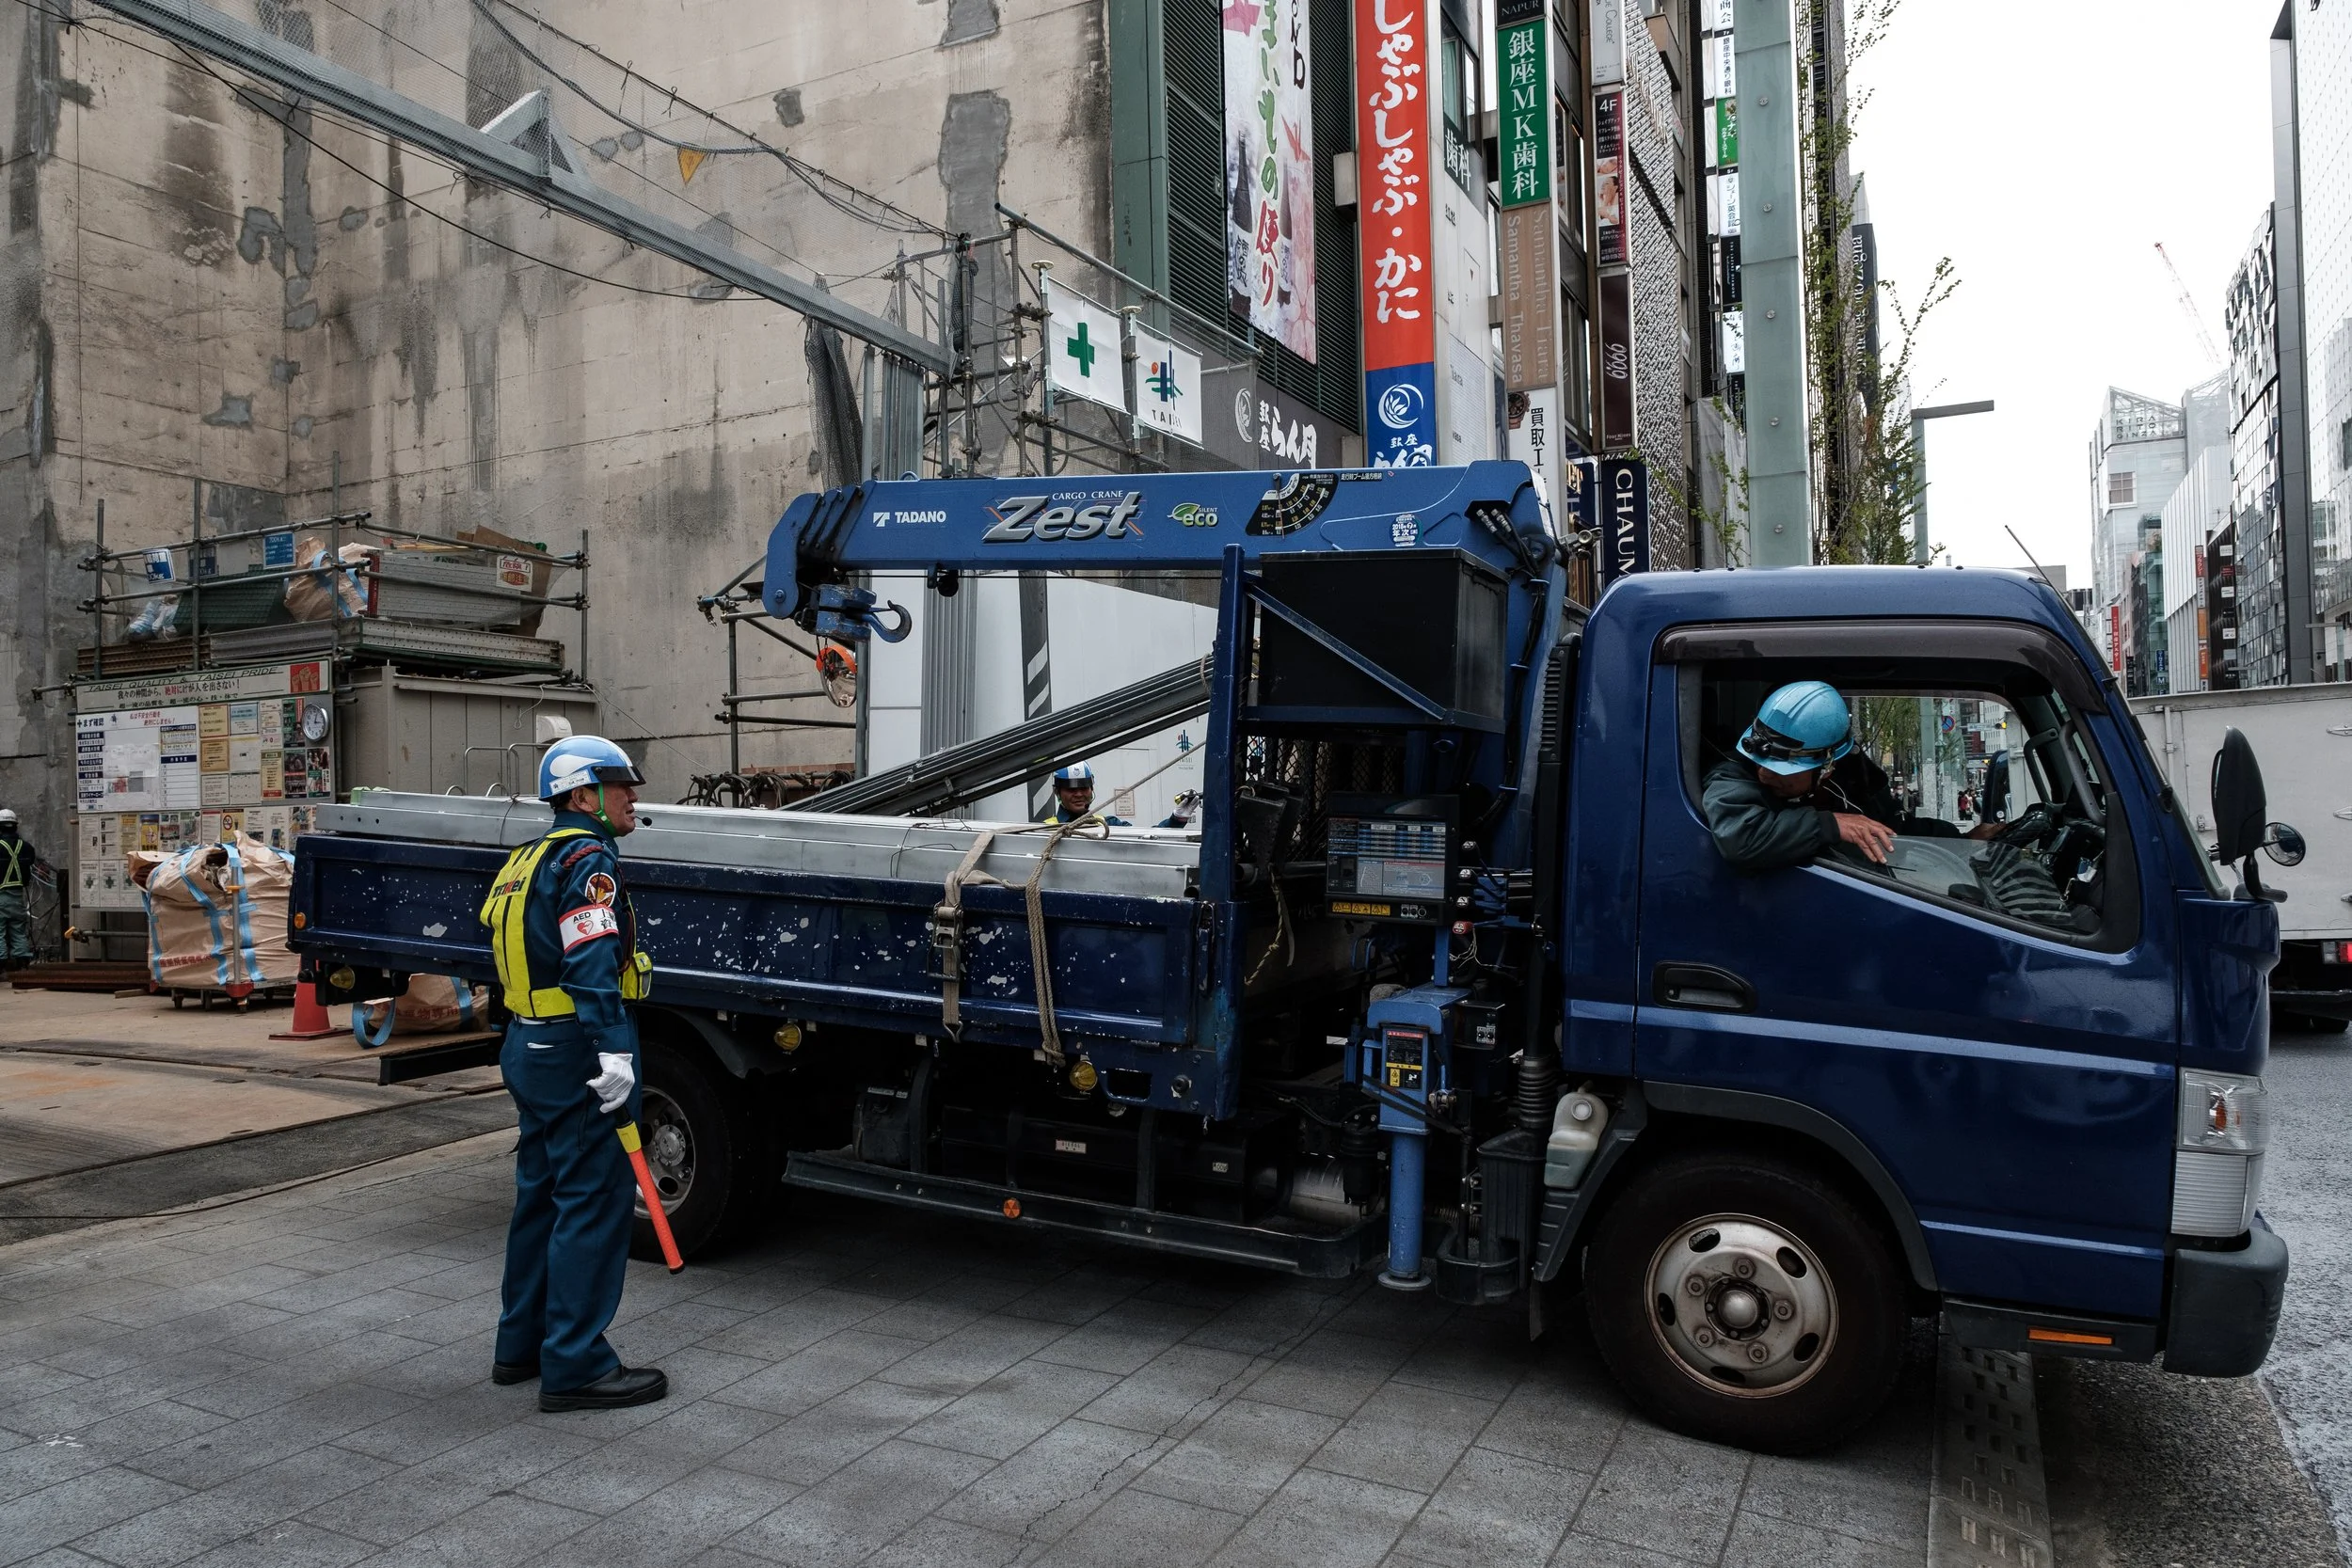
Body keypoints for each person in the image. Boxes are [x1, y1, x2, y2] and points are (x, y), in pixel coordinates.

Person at [479, 736, 668, 1412]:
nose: (633, 795)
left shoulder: (523, 860)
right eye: (621, 785)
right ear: (583, 796)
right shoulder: (588, 858)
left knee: (540, 1196)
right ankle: (576, 1364)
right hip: (578, 1052)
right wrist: (613, 1051)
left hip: (529, 1046)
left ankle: (519, 1346)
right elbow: (590, 961)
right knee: (591, 1199)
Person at [1703, 682, 1997, 875]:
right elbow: (1740, 838)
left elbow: (1892, 829)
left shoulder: (1854, 782)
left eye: (1783, 770)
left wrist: (1960, 842)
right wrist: (1831, 824)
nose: (1764, 773)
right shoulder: (1732, 775)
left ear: (1827, 767)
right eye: (1760, 762)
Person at [1038, 762, 1199, 829]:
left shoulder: (1109, 825)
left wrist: (1176, 820)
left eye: (1084, 788)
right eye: (1071, 789)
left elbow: (1146, 842)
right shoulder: (1044, 830)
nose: (1079, 794)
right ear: (1057, 792)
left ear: (1091, 789)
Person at [0, 809, 44, 968]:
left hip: (1, 895)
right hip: (18, 896)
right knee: (18, 931)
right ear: (15, 826)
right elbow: (30, 862)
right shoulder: (26, 847)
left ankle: (2, 965)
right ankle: (23, 964)